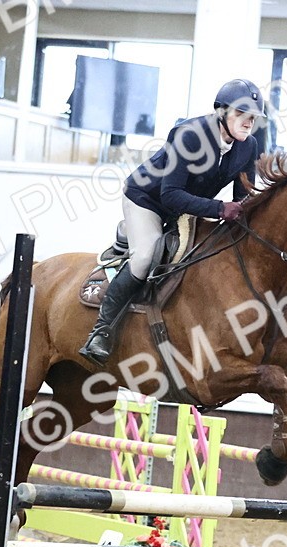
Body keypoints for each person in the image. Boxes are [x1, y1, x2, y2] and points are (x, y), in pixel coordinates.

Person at [79, 78, 267, 365]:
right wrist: (219, 208)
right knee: (145, 257)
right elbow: (170, 195)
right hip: (148, 200)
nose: (248, 122)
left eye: (253, 117)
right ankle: (100, 332)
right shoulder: (190, 135)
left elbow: (243, 198)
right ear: (222, 113)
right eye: (242, 115)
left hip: (187, 208)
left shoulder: (248, 146)